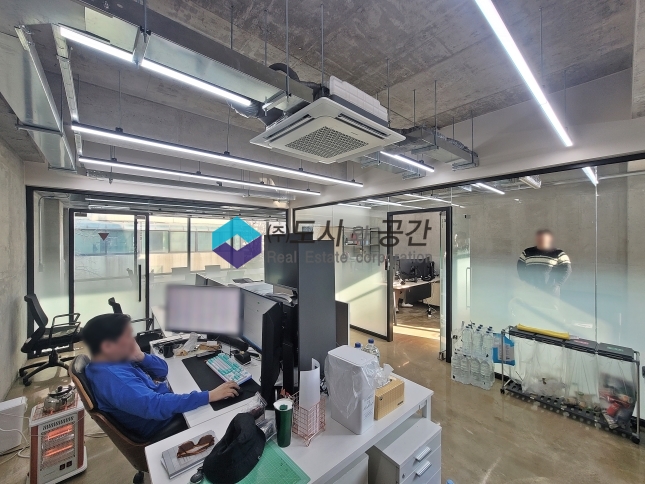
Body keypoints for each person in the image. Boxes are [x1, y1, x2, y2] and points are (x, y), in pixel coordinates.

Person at [82, 313, 240, 440]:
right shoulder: (113, 379)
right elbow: (156, 406)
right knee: (232, 414)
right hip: (164, 424)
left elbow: (162, 370)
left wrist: (140, 356)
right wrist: (209, 396)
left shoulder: (112, 359)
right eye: (128, 336)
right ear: (108, 346)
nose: (134, 340)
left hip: (162, 405)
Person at [517, 229, 572, 297]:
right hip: (531, 291)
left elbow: (567, 270)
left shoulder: (559, 253)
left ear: (549, 239)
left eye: (543, 239)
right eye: (539, 239)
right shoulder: (527, 252)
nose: (540, 241)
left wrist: (557, 283)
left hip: (550, 292)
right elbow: (520, 267)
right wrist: (525, 280)